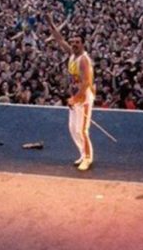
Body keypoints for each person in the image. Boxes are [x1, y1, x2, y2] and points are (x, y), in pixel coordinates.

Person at [49, 16, 95, 171]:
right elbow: (60, 39)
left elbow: (86, 82)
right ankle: (82, 153)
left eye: (77, 42)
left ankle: (88, 158)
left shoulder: (83, 60)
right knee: (72, 128)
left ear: (83, 44)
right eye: (73, 42)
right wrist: (50, 23)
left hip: (84, 97)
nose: (74, 44)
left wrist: (76, 99)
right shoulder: (71, 54)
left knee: (82, 129)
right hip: (74, 97)